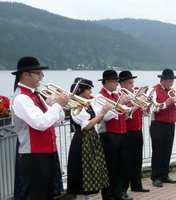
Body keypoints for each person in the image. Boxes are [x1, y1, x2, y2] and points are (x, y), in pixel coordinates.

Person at [11, 56, 69, 200]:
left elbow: (57, 119)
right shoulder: (21, 98)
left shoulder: (35, 95)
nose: (41, 77)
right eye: (38, 73)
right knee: (37, 195)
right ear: (25, 75)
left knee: (47, 194)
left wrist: (56, 105)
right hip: (33, 156)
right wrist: (57, 105)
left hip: (46, 154)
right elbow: (40, 123)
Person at [66, 78, 110, 200]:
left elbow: (96, 120)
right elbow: (86, 125)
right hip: (82, 140)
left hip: (90, 138)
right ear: (80, 90)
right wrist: (102, 113)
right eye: (88, 90)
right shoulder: (75, 105)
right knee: (82, 173)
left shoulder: (86, 104)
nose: (90, 92)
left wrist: (103, 112)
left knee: (90, 172)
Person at [92, 69, 133, 200]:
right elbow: (104, 117)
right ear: (107, 82)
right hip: (108, 135)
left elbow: (121, 116)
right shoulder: (99, 97)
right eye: (115, 81)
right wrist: (118, 105)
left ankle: (119, 192)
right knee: (110, 167)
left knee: (121, 165)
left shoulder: (115, 96)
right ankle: (109, 194)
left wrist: (126, 108)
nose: (117, 84)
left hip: (121, 133)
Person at [116, 71, 150, 194]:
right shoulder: (120, 95)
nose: (132, 85)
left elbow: (145, 112)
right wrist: (134, 105)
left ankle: (136, 184)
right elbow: (123, 115)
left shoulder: (134, 92)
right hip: (127, 131)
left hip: (138, 129)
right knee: (126, 161)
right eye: (130, 83)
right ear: (123, 83)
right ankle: (124, 189)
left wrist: (144, 102)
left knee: (137, 159)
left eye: (132, 82)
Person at [149, 69, 176, 188]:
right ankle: (156, 176)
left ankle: (164, 175)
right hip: (158, 124)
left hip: (170, 123)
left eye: (172, 81)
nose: (171, 84)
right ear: (162, 80)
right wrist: (165, 104)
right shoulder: (153, 90)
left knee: (167, 150)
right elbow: (151, 108)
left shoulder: (172, 91)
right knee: (158, 151)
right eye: (169, 81)